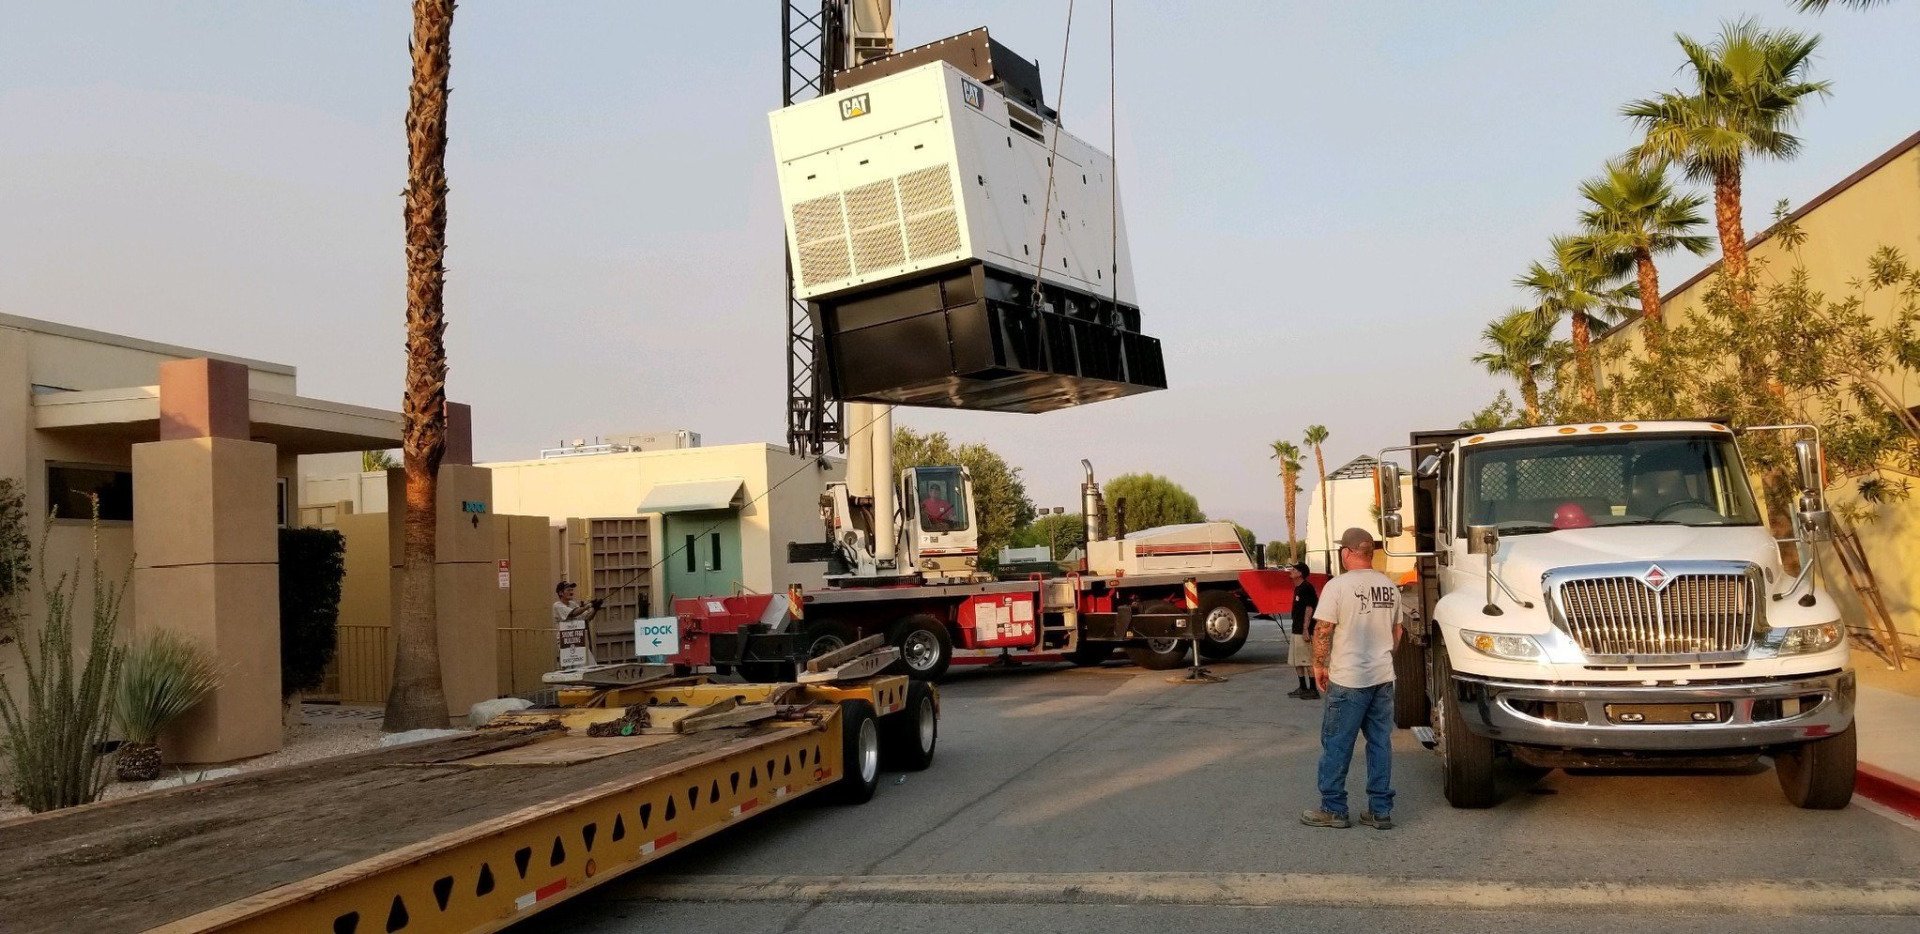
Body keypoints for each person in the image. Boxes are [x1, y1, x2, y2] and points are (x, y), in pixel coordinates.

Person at [1301, 527, 1406, 831]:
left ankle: (1334, 809)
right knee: (1379, 744)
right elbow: (1397, 633)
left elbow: (1323, 629)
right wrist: (1382, 657)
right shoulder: (1389, 586)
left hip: (1349, 680)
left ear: (1346, 553)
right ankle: (1380, 810)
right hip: (1382, 678)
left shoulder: (1338, 587)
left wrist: (1319, 665)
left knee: (1337, 744)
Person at [1285, 562, 1320, 700]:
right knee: (1297, 660)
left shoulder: (1306, 587)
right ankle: (1302, 687)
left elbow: (1309, 608)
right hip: (1296, 629)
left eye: (1294, 569)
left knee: (1307, 660)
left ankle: (1313, 689)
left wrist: (1306, 629)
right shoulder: (1297, 588)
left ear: (1300, 573)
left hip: (1303, 630)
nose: (1291, 571)